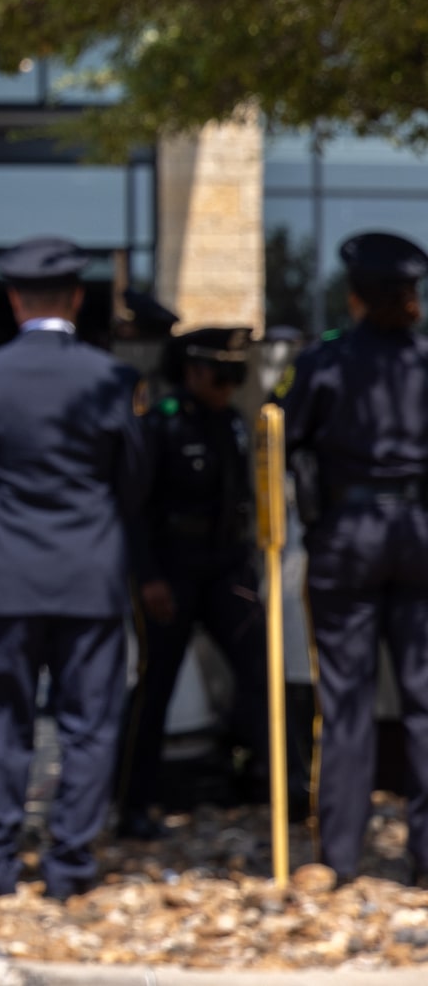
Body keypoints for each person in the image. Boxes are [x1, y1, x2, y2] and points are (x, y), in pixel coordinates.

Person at [0, 235, 146, 901]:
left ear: (13, 300)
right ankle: (69, 865)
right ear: (78, 298)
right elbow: (133, 481)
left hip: (4, 572)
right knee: (89, 724)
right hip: (88, 574)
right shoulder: (113, 378)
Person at [280, 230, 428, 882]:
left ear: (355, 296)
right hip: (419, 531)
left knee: (345, 699)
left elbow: (283, 437)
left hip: (347, 533)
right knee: (425, 698)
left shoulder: (326, 362)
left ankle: (339, 855)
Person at [117, 325, 267, 839]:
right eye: (219, 375)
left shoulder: (233, 421)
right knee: (155, 684)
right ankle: (134, 802)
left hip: (226, 565)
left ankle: (270, 783)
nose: (227, 387)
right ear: (193, 370)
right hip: (173, 569)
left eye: (234, 376)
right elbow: (134, 509)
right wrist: (149, 577)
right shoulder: (162, 423)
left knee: (258, 669)